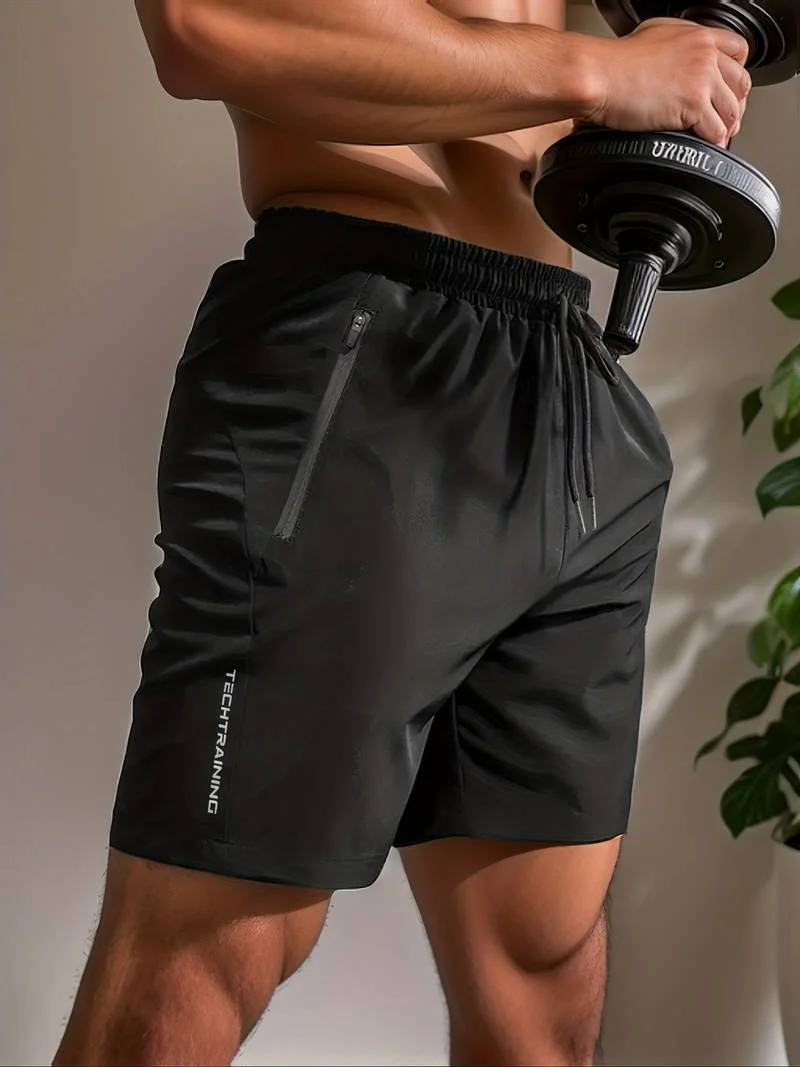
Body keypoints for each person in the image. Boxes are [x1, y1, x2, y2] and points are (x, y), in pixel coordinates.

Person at [53, 2, 750, 1064]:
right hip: (358, 347)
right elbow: (207, 29)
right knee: (200, 960)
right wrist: (596, 73)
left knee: (540, 993)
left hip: (568, 372)